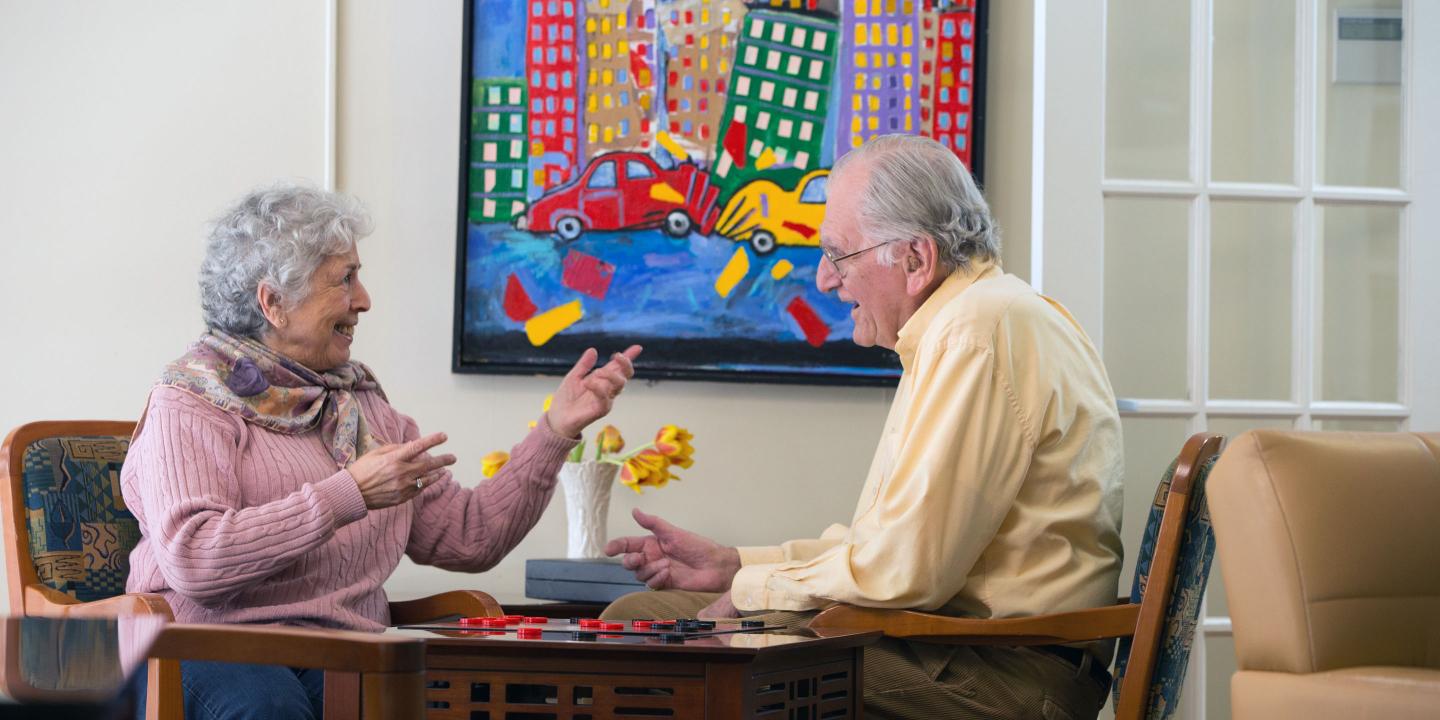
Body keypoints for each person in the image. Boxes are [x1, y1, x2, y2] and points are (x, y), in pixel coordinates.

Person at [603, 134, 1124, 719]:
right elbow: (887, 551)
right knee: (644, 620)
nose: (825, 280)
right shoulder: (974, 322)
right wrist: (735, 564)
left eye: (839, 255)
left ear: (916, 259)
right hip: (959, 653)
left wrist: (753, 593)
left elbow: (907, 572)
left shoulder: (976, 334)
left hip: (1002, 676)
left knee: (645, 643)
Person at [122, 183, 642, 720]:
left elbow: (470, 537)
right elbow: (194, 559)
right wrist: (349, 494)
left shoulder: (360, 407)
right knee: (272, 708)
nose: (364, 299)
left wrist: (555, 429)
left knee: (464, 701)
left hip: (341, 652)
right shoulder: (191, 402)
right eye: (345, 278)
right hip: (201, 647)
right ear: (273, 302)